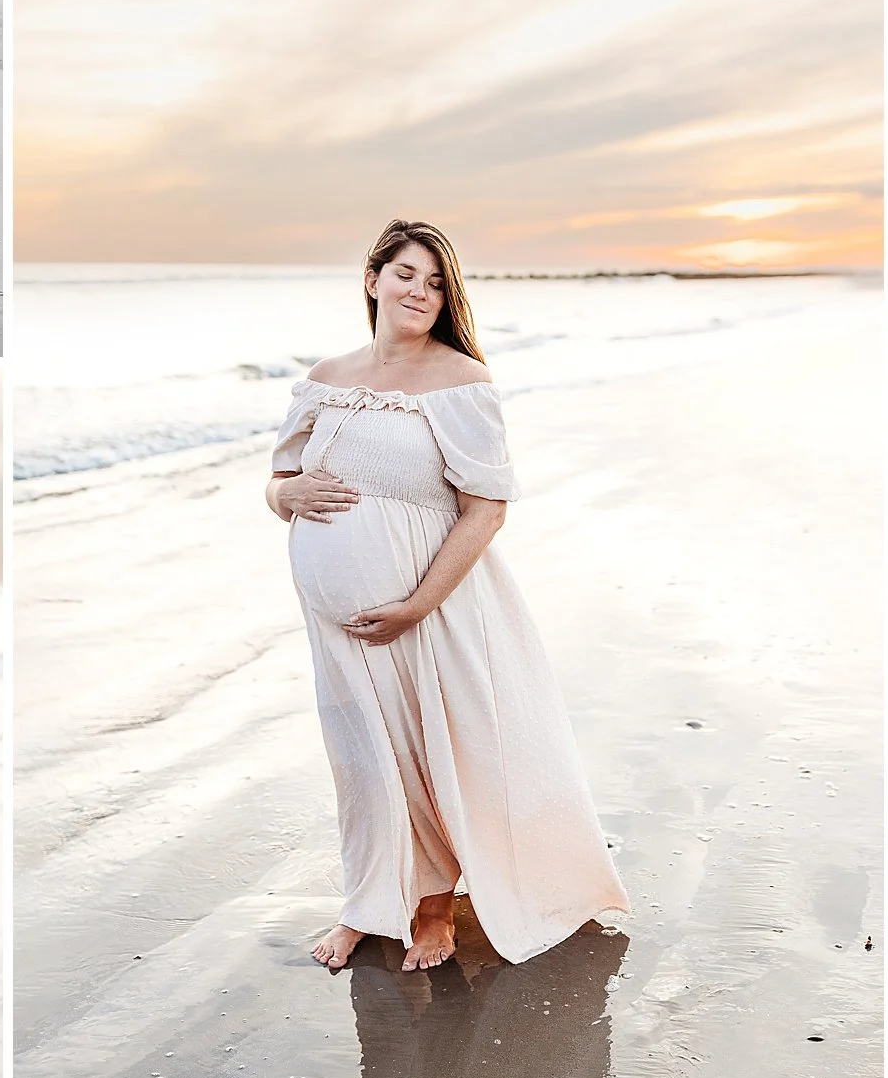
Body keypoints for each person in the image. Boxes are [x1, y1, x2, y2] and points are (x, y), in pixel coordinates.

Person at [266, 218, 629, 973]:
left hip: (426, 608)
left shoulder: (461, 382)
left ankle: (434, 908)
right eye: (406, 274)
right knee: (361, 759)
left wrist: (417, 605)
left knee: (430, 753)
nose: (419, 292)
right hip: (336, 623)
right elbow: (279, 484)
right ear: (373, 279)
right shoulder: (326, 376)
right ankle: (368, 903)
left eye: (436, 283)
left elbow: (486, 509)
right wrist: (285, 493)